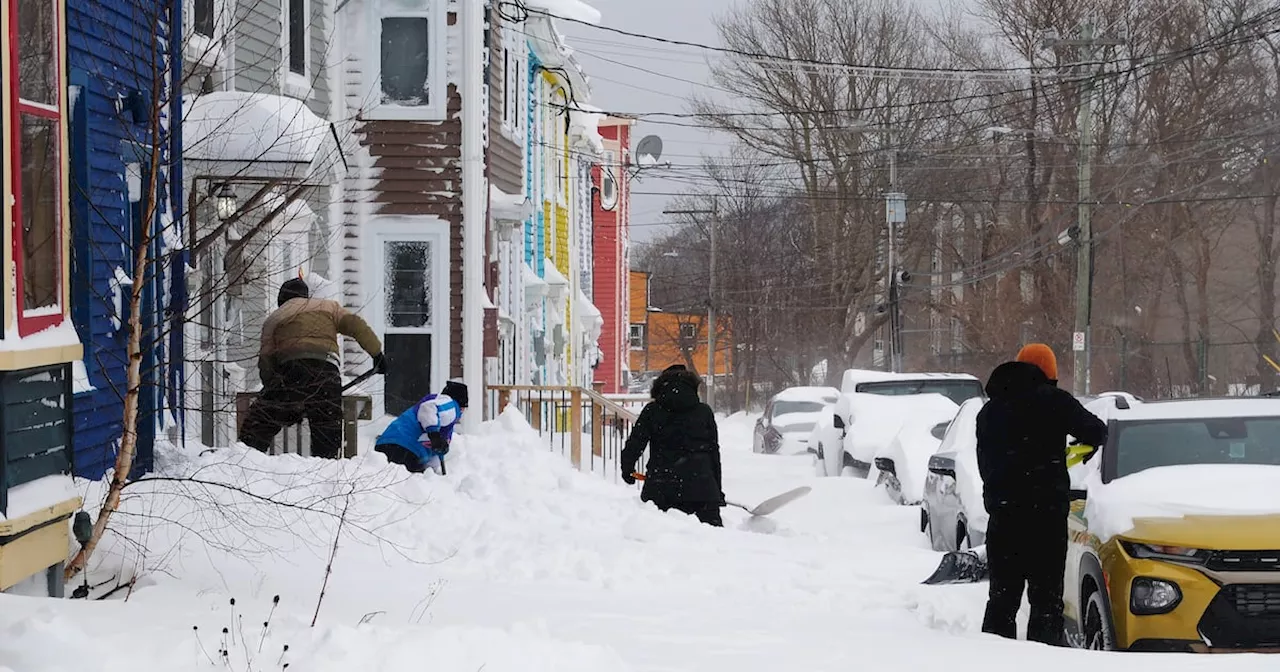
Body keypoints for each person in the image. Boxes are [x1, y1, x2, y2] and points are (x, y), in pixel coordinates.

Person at [976, 343, 1108, 646]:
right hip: (1045, 519)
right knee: (1046, 604)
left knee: (1001, 601)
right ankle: (1043, 660)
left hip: (1003, 518)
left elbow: (987, 464)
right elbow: (1095, 431)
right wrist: (1070, 451)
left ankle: (992, 661)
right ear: (1049, 373)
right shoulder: (1054, 402)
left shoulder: (988, 412)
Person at [240, 278, 386, 459]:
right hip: (327, 373)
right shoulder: (329, 307)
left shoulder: (275, 318)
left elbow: (266, 362)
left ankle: (244, 459)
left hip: (291, 371)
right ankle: (327, 469)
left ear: (282, 299)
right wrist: (377, 354)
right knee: (327, 433)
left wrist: (279, 397)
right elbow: (357, 326)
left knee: (258, 425)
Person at [620, 365, 725, 527]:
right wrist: (717, 490)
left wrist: (627, 469)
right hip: (702, 490)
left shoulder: (652, 411)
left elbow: (635, 443)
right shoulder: (704, 412)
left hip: (661, 487)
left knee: (659, 542)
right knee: (713, 547)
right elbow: (713, 454)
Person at [374, 381, 469, 474]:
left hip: (390, 445)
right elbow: (428, 408)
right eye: (464, 408)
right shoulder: (451, 405)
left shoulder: (445, 422)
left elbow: (434, 456)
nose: (463, 412)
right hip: (404, 447)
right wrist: (434, 435)